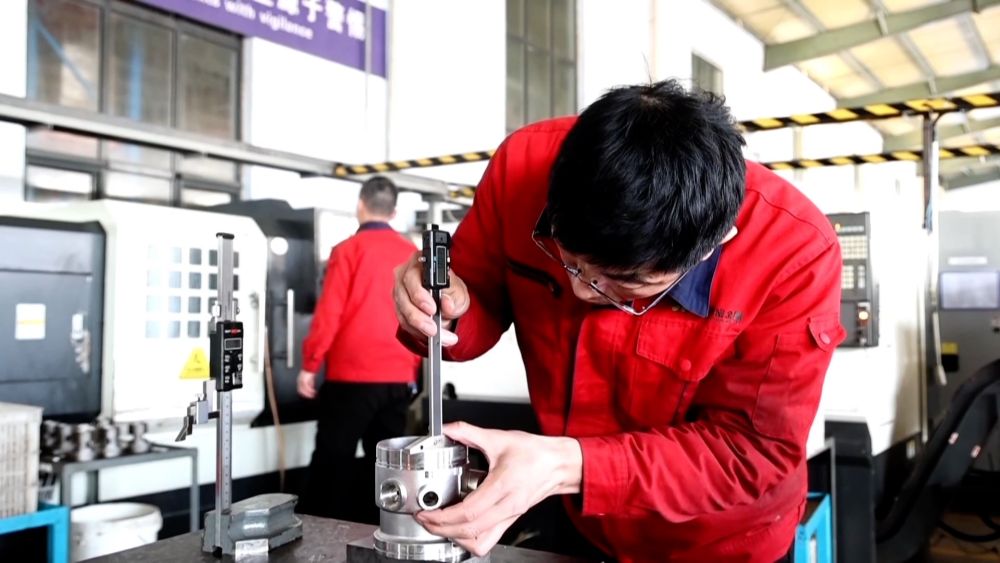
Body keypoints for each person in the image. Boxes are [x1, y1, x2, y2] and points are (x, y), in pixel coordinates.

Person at [393, 80, 846, 562]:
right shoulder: (523, 169)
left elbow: (749, 450)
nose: (581, 290)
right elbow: (477, 294)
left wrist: (569, 465)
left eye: (624, 283)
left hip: (718, 543)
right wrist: (441, 309)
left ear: (708, 248)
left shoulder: (794, 255)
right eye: (567, 260)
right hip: (582, 521)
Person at [297, 176, 421, 522]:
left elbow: (330, 313)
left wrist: (310, 364)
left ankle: (317, 534)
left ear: (360, 205)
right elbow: (420, 315)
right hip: (398, 377)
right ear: (394, 212)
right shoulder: (411, 255)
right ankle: (381, 532)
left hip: (351, 378)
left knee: (332, 459)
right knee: (386, 466)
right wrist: (411, 367)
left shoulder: (347, 251)